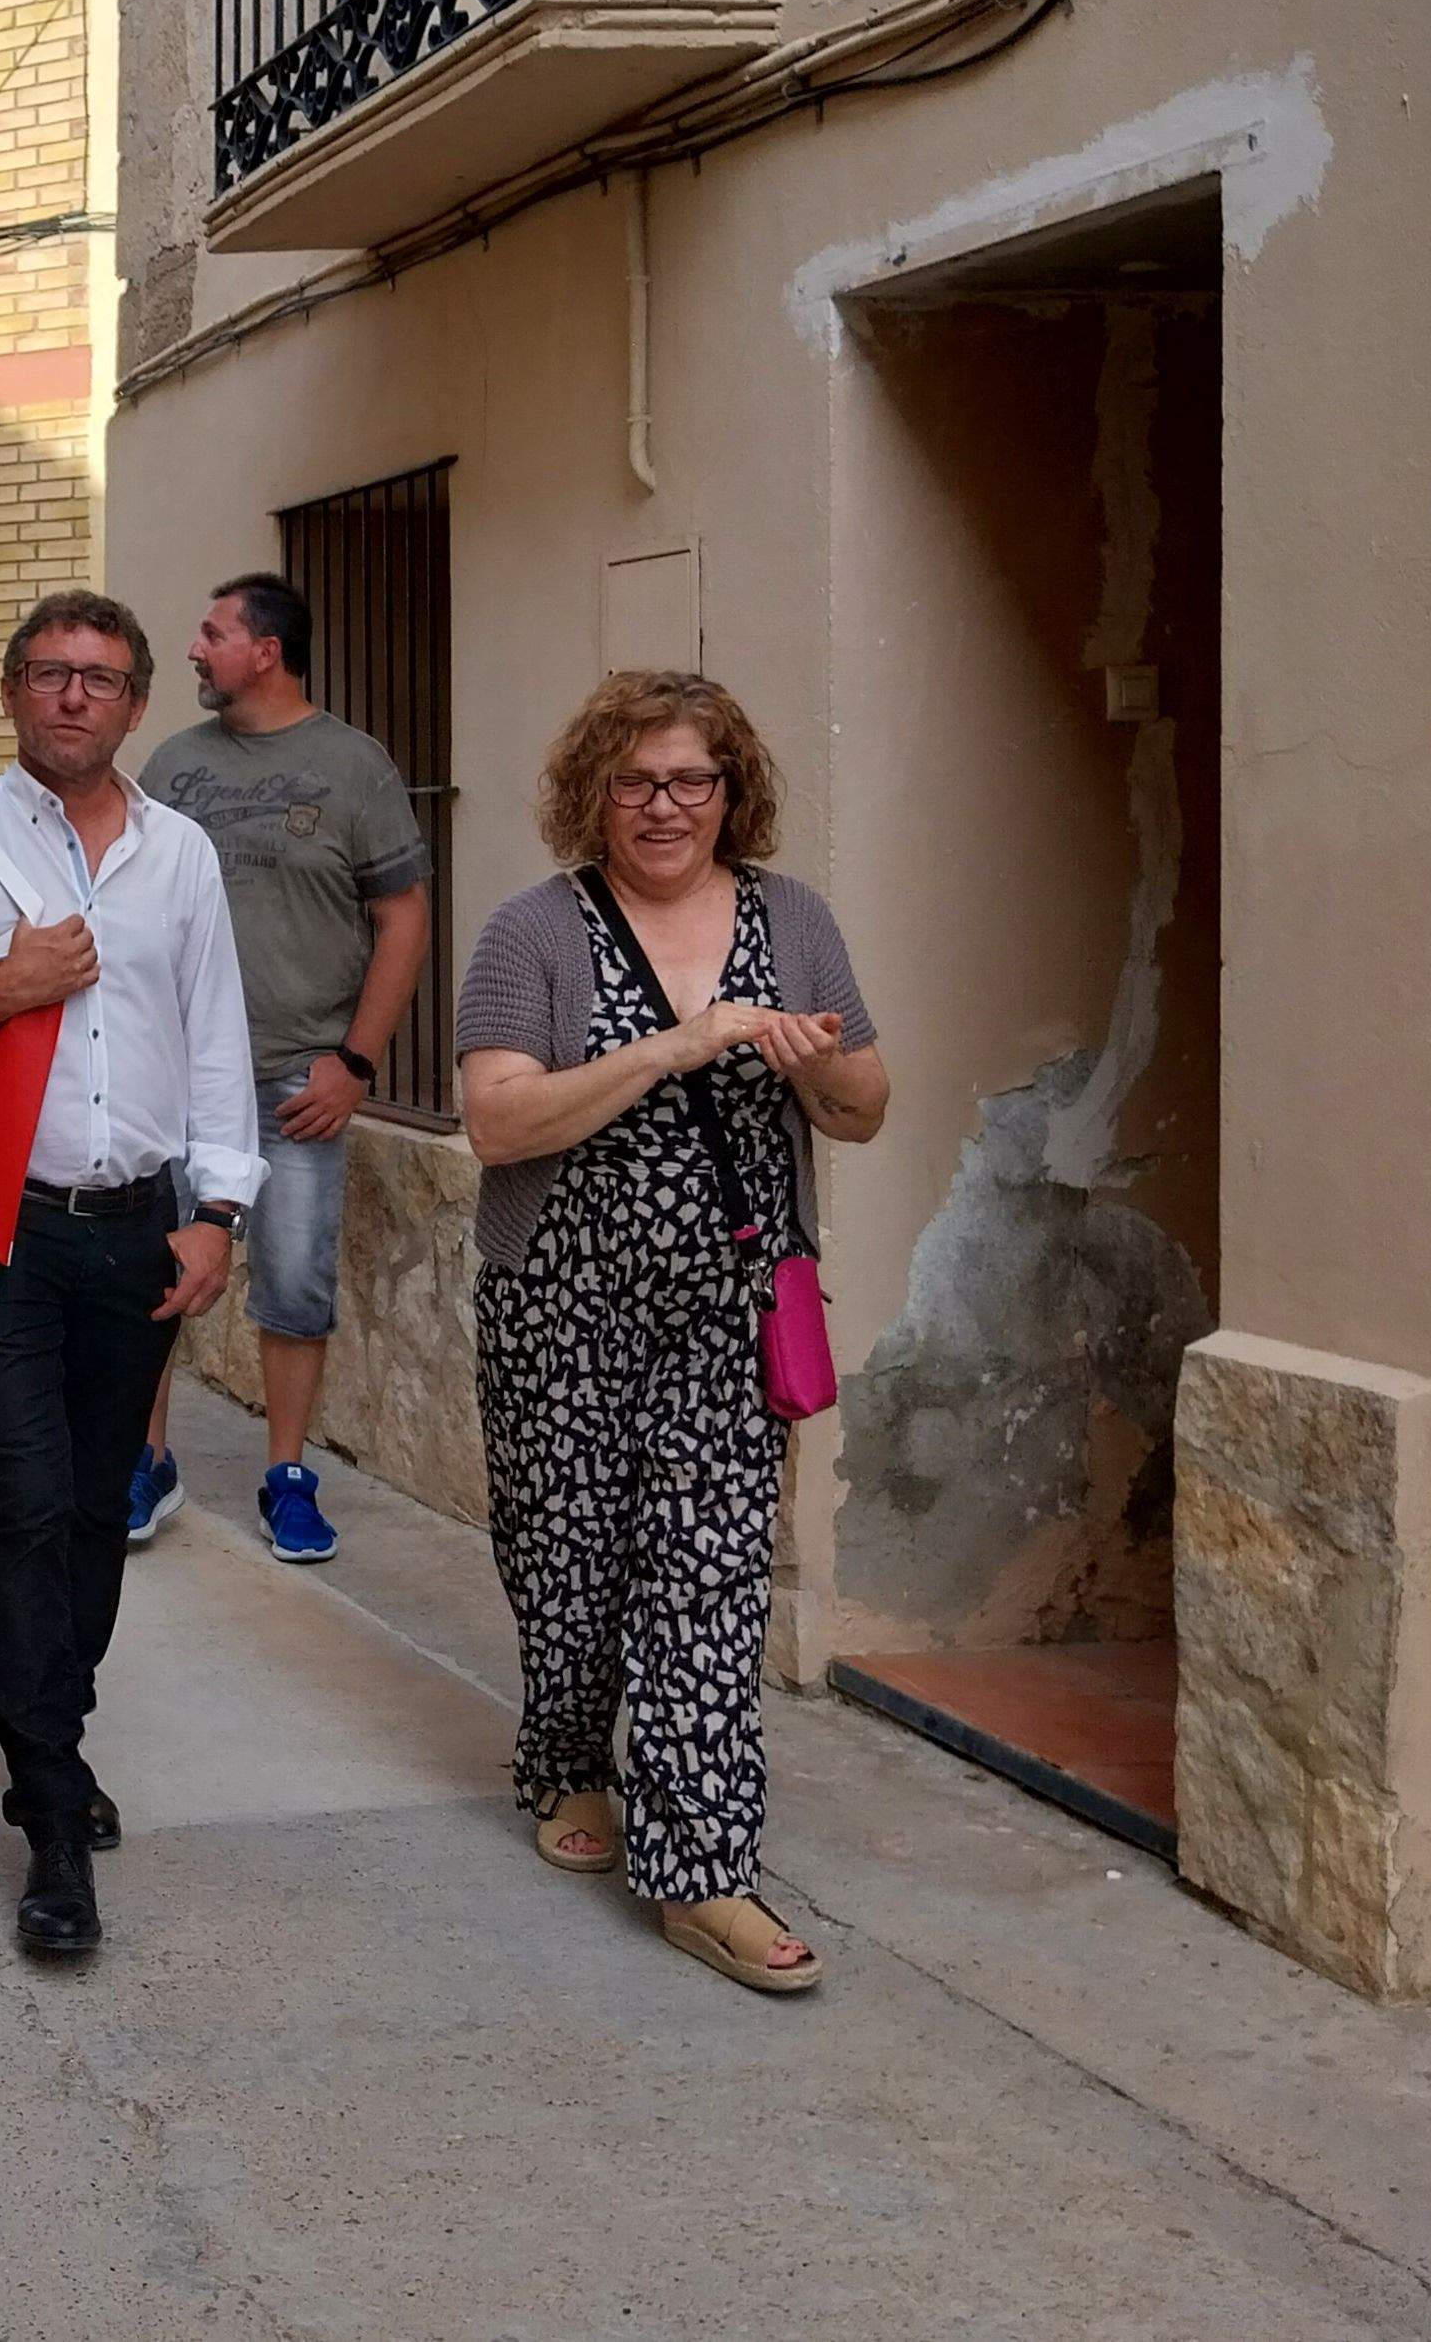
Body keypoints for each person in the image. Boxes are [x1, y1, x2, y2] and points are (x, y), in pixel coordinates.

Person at [0, 591, 256, 1960]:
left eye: (103, 677)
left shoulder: (181, 856)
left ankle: (47, 1742)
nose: (76, 695)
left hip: (138, 1228)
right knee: (22, 1502)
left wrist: (218, 1213)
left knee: (91, 1510)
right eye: (52, 672)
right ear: (14, 691)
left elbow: (215, 1037)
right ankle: (55, 1821)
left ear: (137, 705)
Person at [455, 670, 887, 1997]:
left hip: (728, 1310)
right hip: (559, 1302)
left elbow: (867, 1107)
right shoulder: (533, 932)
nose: (663, 806)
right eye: (635, 781)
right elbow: (499, 1122)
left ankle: (704, 1871)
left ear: (729, 790)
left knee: (706, 1575)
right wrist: (674, 1048)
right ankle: (566, 1760)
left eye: (691, 779)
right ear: (594, 793)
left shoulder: (792, 919)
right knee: (569, 1564)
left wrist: (815, 1062)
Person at [134, 574, 432, 1564]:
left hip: (298, 1078)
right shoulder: (174, 766)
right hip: (176, 1076)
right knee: (157, 1273)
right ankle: (147, 1460)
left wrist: (356, 1061)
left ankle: (288, 1478)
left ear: (265, 650)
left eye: (212, 633)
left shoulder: (354, 766)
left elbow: (403, 920)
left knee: (296, 1285)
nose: (194, 649)